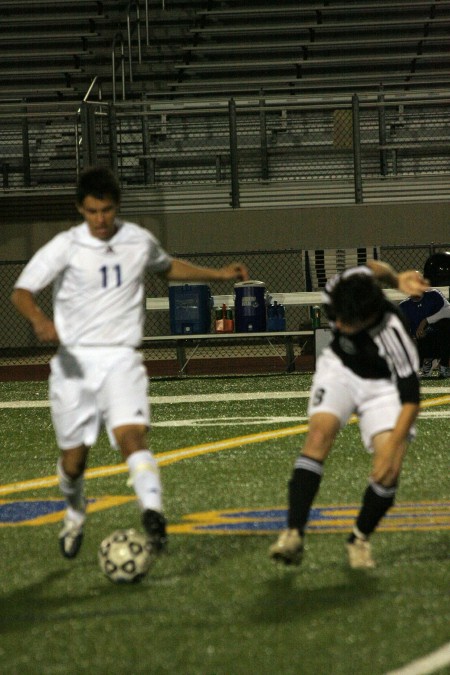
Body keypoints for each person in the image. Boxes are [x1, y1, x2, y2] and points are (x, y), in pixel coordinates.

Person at [11, 165, 249, 560]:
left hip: (122, 358)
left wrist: (217, 275)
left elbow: (167, 266)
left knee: (131, 437)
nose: (100, 220)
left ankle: (153, 516)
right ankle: (74, 509)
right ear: (80, 209)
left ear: (116, 207)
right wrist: (38, 320)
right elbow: (22, 290)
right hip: (74, 365)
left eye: (105, 210)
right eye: (91, 212)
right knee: (74, 463)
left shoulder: (138, 240)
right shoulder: (65, 246)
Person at [269, 260, 429, 569]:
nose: (338, 326)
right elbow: (375, 268)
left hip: (383, 388)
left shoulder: (392, 332)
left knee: (388, 470)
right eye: (337, 317)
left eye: (347, 322)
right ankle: (293, 534)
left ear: (369, 317)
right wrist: (396, 279)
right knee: (318, 436)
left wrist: (392, 448)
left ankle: (359, 539)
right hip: (340, 369)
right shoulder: (341, 289)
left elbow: (410, 399)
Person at [399, 287, 450, 378]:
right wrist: (411, 337)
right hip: (419, 341)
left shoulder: (433, 295)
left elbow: (448, 311)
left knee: (446, 325)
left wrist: (426, 320)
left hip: (437, 335)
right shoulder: (404, 306)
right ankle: (427, 362)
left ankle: (444, 364)